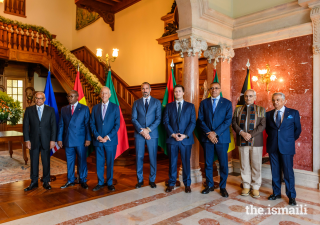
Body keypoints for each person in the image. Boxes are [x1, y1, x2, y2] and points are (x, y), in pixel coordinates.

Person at [266, 92, 301, 206]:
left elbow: (297, 130)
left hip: (287, 146)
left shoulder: (293, 113)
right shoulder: (268, 114)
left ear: (284, 101)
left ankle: (291, 196)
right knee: (275, 172)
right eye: (274, 100)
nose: (275, 102)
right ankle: (276, 193)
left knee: (288, 172)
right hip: (273, 146)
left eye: (278, 100)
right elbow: (268, 130)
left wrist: (288, 140)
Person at [198, 82, 232, 197]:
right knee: (208, 163)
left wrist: (215, 133)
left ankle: (223, 187)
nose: (214, 90)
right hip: (207, 139)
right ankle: (209, 185)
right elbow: (200, 120)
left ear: (220, 89)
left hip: (222, 139)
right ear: (209, 90)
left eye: (216, 88)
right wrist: (209, 134)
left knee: (223, 164)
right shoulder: (203, 103)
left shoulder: (227, 103)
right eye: (211, 88)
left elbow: (227, 121)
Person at [232, 89, 266, 198]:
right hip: (242, 140)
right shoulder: (238, 110)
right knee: (244, 164)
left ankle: (255, 187)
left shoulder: (261, 110)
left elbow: (262, 125)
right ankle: (246, 185)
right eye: (246, 96)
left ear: (255, 97)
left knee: (256, 165)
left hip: (256, 141)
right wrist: (242, 133)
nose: (248, 98)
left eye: (251, 96)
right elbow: (233, 123)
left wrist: (250, 135)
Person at [163, 84, 196, 193]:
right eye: (176, 92)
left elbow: (192, 122)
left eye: (179, 91)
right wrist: (173, 134)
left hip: (185, 140)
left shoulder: (190, 106)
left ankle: (187, 184)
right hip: (172, 139)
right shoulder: (169, 106)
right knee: (172, 162)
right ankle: (171, 183)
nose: (177, 93)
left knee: (186, 162)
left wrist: (185, 135)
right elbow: (166, 122)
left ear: (183, 93)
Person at [57, 90, 91, 189]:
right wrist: (59, 139)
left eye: (72, 96)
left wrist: (88, 138)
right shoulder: (64, 109)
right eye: (68, 96)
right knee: (70, 161)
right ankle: (70, 180)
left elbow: (87, 124)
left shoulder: (84, 108)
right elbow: (61, 125)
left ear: (77, 97)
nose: (70, 98)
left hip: (81, 140)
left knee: (82, 161)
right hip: (68, 140)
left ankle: (83, 180)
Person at [23, 92, 57, 191]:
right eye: (37, 98)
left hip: (46, 140)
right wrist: (27, 140)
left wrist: (52, 140)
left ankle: (46, 181)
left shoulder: (50, 110)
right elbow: (25, 126)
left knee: (46, 161)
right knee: (33, 161)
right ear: (35, 99)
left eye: (40, 98)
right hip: (33, 140)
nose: (38, 100)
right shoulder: (29, 110)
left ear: (44, 99)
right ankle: (34, 182)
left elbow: (53, 126)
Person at [131, 82, 161, 189]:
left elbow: (158, 119)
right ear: (141, 90)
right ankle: (140, 180)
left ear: (150, 89)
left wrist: (148, 130)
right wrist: (142, 131)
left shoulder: (157, 102)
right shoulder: (136, 103)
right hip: (139, 134)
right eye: (143, 89)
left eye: (146, 88)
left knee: (153, 157)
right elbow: (134, 119)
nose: (145, 90)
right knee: (139, 157)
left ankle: (152, 180)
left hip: (152, 134)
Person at [90, 87, 120, 192]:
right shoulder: (95, 108)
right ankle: (100, 182)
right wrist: (97, 136)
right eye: (102, 93)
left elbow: (117, 125)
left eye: (106, 93)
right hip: (98, 140)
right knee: (99, 162)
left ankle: (110, 183)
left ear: (110, 95)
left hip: (110, 141)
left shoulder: (115, 107)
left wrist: (107, 137)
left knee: (110, 162)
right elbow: (92, 124)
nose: (104, 95)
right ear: (100, 95)